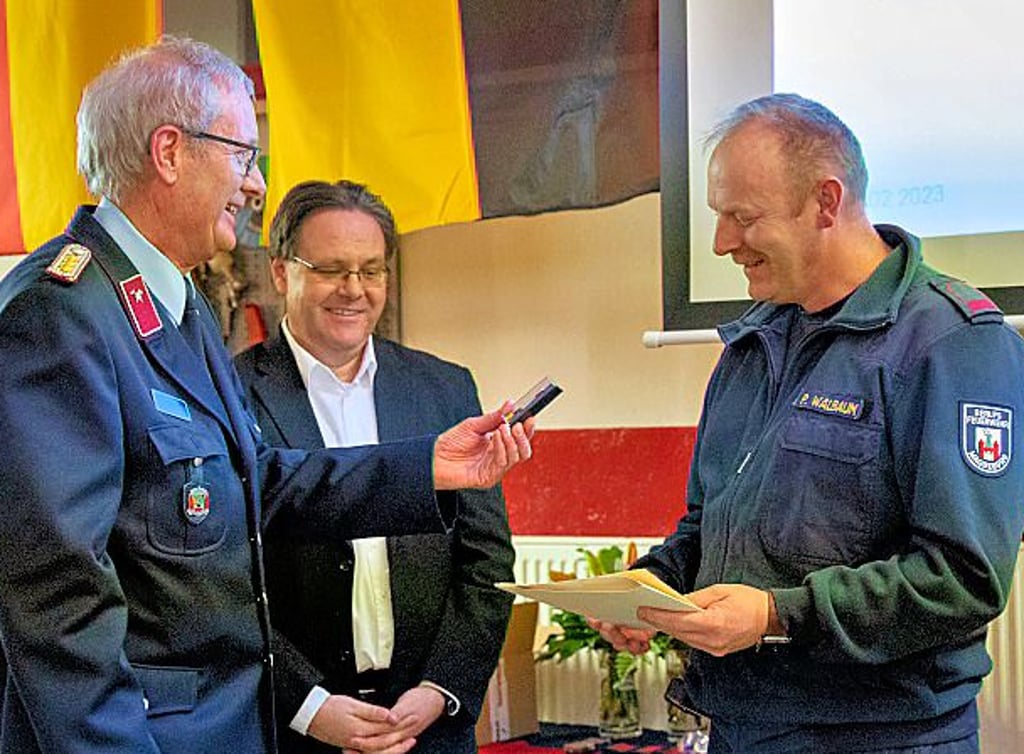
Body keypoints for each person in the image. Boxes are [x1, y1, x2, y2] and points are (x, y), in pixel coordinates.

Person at [0, 37, 532, 754]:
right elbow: (57, 597)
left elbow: (257, 484)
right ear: (169, 152)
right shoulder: (60, 313)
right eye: (243, 155)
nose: (255, 185)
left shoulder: (174, 306)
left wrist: (428, 467)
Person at [593, 93, 1024, 753]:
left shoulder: (951, 342)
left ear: (826, 201)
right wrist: (653, 588)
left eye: (743, 218)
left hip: (882, 737)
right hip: (739, 726)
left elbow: (962, 579)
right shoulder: (752, 344)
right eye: (718, 216)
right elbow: (709, 527)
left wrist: (777, 616)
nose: (721, 243)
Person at [233, 179, 515, 753]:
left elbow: (487, 559)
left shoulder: (444, 389)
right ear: (282, 272)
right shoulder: (230, 394)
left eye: (371, 270)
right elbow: (222, 580)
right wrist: (309, 707)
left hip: (428, 729)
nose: (354, 290)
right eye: (332, 269)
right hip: (292, 731)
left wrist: (440, 688)